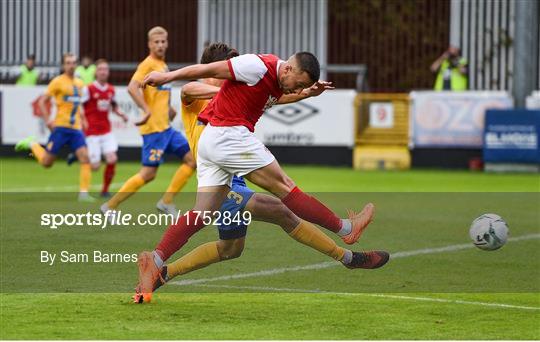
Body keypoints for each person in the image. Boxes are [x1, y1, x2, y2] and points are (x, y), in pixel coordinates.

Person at [132, 43, 389, 303]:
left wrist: (305, 94)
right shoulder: (248, 68)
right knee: (284, 196)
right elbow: (192, 84)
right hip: (229, 141)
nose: (295, 88)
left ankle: (156, 263)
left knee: (225, 242)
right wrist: (167, 77)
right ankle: (346, 233)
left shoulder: (267, 83)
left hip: (219, 154)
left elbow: (278, 96)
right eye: (296, 83)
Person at [100, 26, 196, 216]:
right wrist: (146, 110)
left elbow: (158, 93)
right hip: (154, 130)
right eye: (156, 42)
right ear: (150, 44)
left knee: (192, 160)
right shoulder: (148, 64)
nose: (160, 45)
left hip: (166, 128)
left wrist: (168, 109)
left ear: (167, 43)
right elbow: (132, 87)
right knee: (148, 174)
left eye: (163, 41)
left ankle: (166, 201)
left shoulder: (162, 65)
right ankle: (109, 207)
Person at [14, 53, 93, 202]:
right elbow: (43, 101)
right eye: (68, 63)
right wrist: (47, 120)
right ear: (63, 65)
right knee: (47, 163)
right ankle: (32, 144)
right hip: (61, 128)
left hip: (76, 128)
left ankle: (83, 194)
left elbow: (78, 104)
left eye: (73, 62)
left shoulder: (80, 83)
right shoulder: (57, 82)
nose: (71, 65)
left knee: (85, 157)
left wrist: (83, 118)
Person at [81, 59, 128, 197]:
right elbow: (80, 107)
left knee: (112, 159)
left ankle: (105, 190)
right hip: (92, 132)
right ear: (96, 71)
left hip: (106, 131)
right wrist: (83, 121)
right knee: (95, 167)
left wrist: (121, 115)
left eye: (105, 69)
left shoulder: (111, 90)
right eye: (100, 69)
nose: (103, 72)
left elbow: (113, 106)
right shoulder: (88, 89)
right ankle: (78, 153)